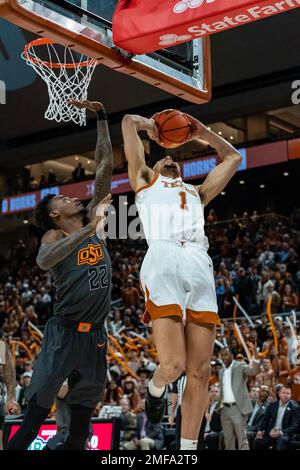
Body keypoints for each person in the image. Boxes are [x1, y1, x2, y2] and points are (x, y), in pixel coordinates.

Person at [122, 111, 242, 450]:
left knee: (201, 371)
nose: (170, 157)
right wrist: (153, 128)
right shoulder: (145, 178)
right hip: (163, 257)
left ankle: (188, 451)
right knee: (174, 366)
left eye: (175, 156)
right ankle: (156, 386)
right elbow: (129, 122)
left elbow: (233, 157)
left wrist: (202, 132)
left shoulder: (198, 192)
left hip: (198, 263)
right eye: (165, 158)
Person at [6, 100, 113, 451]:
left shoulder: (89, 220)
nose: (72, 198)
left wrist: (101, 119)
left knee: (82, 424)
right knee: (36, 416)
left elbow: (103, 168)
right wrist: (90, 230)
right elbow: (43, 261)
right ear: (54, 215)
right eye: (64, 199)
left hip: (95, 335)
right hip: (64, 332)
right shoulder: (55, 236)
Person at [218, 348, 260, 450]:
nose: (224, 357)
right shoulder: (221, 371)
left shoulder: (240, 366)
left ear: (232, 355)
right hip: (225, 409)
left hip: (237, 408)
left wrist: (256, 358)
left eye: (226, 355)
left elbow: (253, 371)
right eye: (222, 355)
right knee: (228, 441)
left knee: (242, 440)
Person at [253, 385, 299, 450]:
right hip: (272, 433)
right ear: (279, 394)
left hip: (285, 434)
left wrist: (280, 432)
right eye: (283, 393)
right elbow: (265, 420)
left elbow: (295, 425)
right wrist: (260, 430)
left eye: (288, 393)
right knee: (257, 441)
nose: (286, 395)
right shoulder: (272, 405)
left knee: (281, 440)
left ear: (290, 395)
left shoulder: (294, 407)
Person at [247, 385, 269, 449]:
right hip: (243, 426)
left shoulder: (268, 407)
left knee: (246, 435)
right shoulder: (251, 402)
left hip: (254, 430)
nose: (265, 393)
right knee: (222, 433)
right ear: (258, 392)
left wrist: (245, 429)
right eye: (263, 391)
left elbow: (260, 425)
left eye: (267, 392)